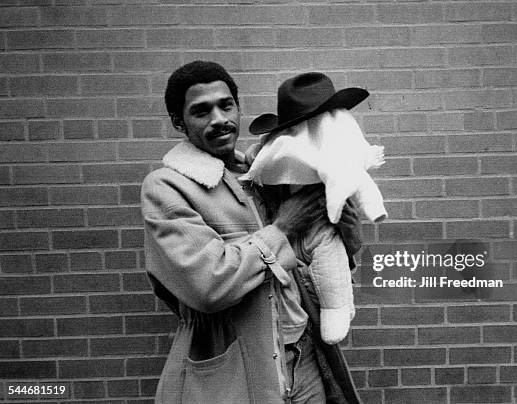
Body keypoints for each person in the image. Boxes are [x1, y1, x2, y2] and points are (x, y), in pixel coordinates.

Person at [140, 60, 362, 403]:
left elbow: (303, 265)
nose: (219, 119)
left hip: (305, 362)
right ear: (178, 123)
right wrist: (282, 227)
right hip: (239, 373)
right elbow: (207, 285)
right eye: (201, 111)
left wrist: (348, 237)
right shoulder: (166, 187)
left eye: (226, 105)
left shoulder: (264, 176)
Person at [241, 72, 387, 345]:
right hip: (273, 323)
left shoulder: (339, 163)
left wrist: (352, 232)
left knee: (330, 262)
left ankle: (337, 307)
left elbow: (350, 244)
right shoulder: (268, 170)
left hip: (320, 264)